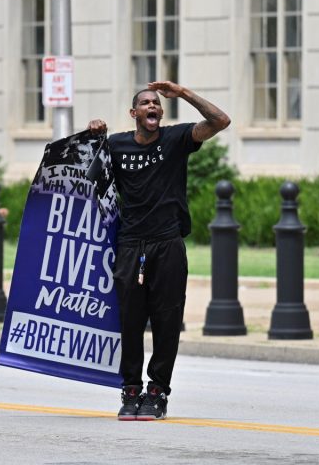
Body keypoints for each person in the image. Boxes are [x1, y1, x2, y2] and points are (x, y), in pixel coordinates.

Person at [88, 80, 230, 421]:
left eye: (157, 103)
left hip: (167, 243)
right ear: (134, 113)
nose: (153, 106)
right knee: (131, 322)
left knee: (167, 322)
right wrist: (93, 137)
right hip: (130, 244)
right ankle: (131, 390)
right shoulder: (115, 145)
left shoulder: (176, 139)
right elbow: (90, 181)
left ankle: (157, 392)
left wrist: (183, 93)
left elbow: (220, 121)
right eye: (146, 103)